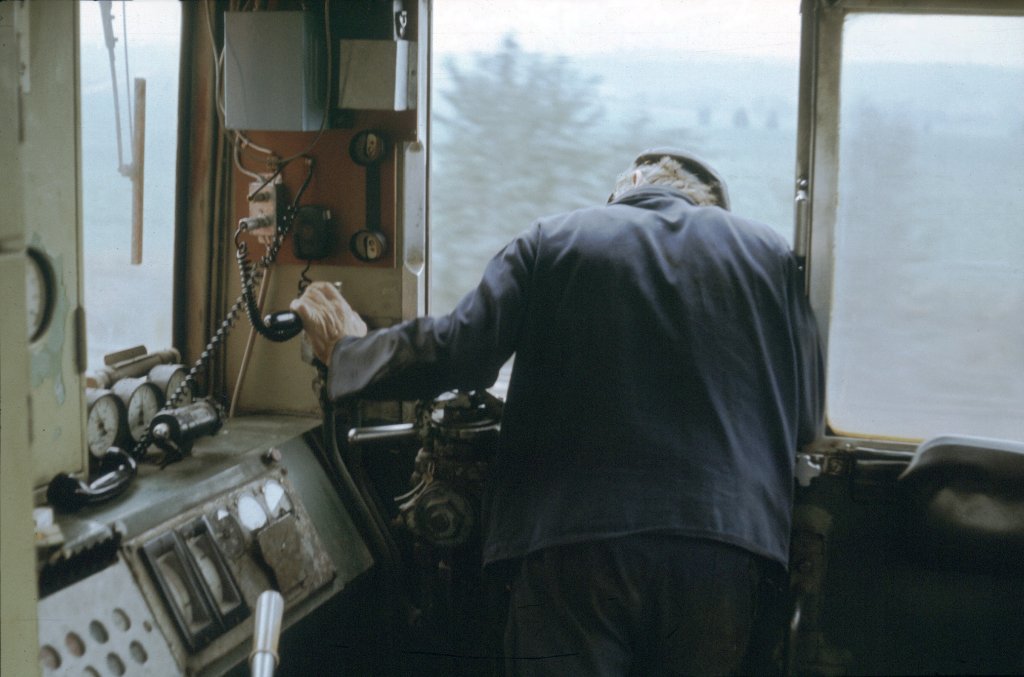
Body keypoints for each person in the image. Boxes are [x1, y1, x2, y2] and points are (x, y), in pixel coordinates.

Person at [291, 148, 823, 676]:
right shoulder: (769, 255)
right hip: (726, 549)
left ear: (631, 182)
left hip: (573, 545)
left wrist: (350, 352)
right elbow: (803, 418)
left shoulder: (555, 238)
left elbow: (460, 350)